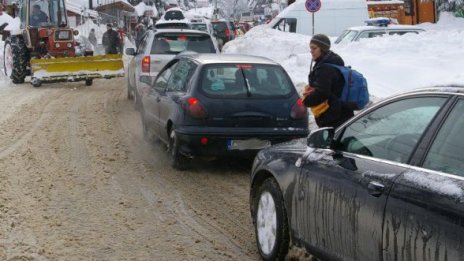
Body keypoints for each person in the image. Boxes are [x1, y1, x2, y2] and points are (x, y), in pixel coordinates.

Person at [302, 34, 354, 128]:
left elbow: (322, 93)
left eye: (314, 48)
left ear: (322, 49)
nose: (311, 51)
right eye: (310, 48)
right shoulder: (329, 62)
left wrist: (306, 101)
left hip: (334, 117)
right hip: (341, 113)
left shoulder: (326, 68)